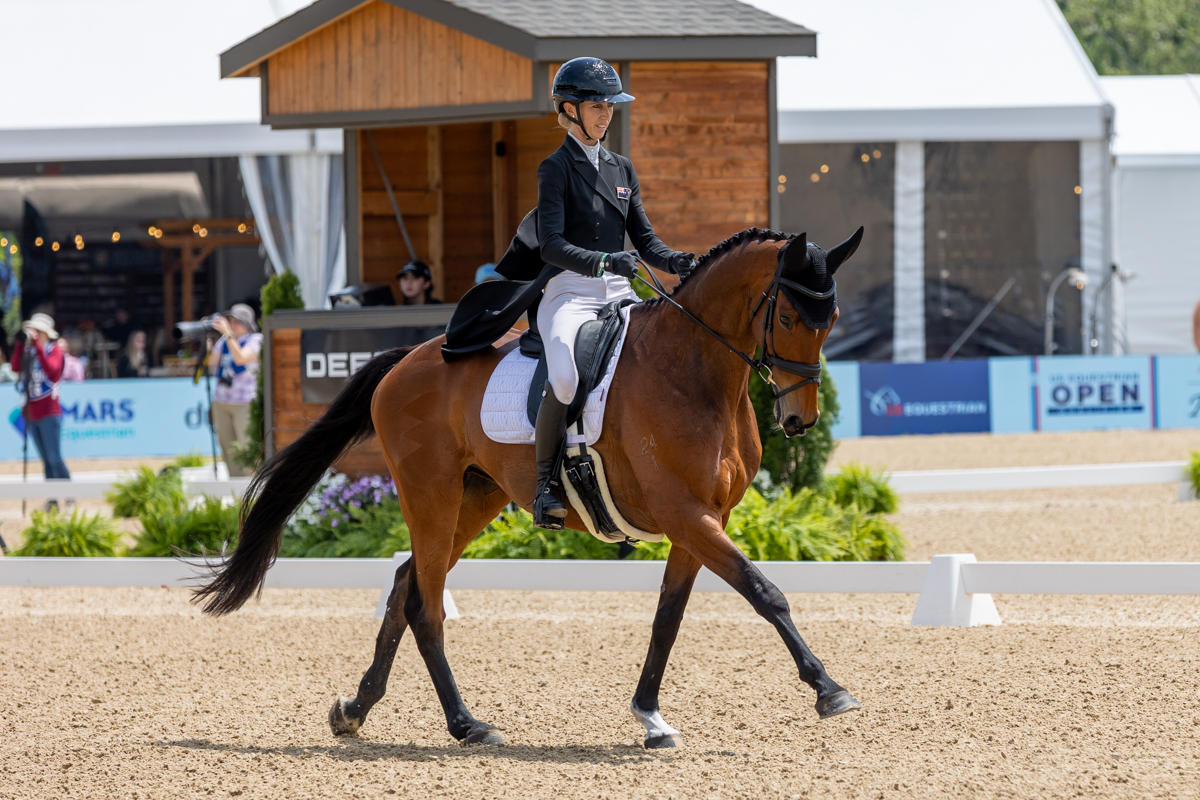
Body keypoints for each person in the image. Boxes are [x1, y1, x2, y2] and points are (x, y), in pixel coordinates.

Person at [530, 56, 697, 528]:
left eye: (609, 105)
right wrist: (603, 260)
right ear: (569, 109)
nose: (605, 114)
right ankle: (545, 487)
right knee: (563, 378)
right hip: (569, 293)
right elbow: (551, 245)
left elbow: (645, 241)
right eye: (595, 105)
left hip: (619, 291)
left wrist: (678, 260)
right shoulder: (554, 169)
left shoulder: (622, 168)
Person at [9, 312, 71, 487]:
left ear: (44, 333)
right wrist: (21, 345)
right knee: (45, 459)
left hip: (49, 413)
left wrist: (37, 345)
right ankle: (52, 499)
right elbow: (15, 367)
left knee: (54, 457)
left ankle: (69, 492)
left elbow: (52, 370)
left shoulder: (55, 351)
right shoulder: (29, 352)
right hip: (32, 413)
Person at [207, 304, 263, 477]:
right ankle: (234, 482)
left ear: (246, 323)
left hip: (245, 402)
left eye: (236, 321)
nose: (231, 323)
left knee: (246, 445)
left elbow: (240, 358)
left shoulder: (256, 339)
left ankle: (251, 483)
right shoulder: (225, 340)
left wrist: (228, 335)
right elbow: (210, 363)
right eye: (230, 320)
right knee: (227, 445)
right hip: (222, 400)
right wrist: (207, 340)